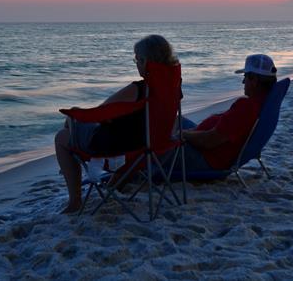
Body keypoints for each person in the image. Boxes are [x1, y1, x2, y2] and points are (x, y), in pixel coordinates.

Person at [54, 34, 179, 214]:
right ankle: (114, 185)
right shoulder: (173, 87)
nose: (136, 64)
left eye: (137, 59)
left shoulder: (138, 89)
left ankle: (75, 201)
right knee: (127, 132)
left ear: (145, 61)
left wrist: (73, 114)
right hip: (154, 150)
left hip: (120, 152)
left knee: (63, 133)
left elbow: (101, 112)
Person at [180, 54, 277, 173]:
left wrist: (183, 134)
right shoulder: (263, 103)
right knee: (176, 121)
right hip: (205, 146)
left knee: (160, 143)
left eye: (245, 76)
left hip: (206, 158)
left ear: (254, 81)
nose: (243, 82)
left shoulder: (246, 107)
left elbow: (209, 141)